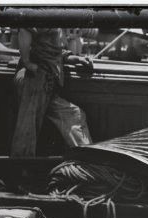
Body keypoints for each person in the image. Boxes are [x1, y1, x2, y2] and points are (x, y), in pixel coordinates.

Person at [10, 28, 93, 157]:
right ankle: (20, 171)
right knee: (27, 132)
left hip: (48, 83)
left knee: (75, 116)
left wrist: (76, 59)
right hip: (34, 80)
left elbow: (55, 52)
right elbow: (24, 30)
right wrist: (28, 63)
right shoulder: (40, 11)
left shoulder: (55, 17)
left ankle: (85, 161)